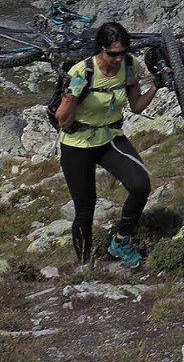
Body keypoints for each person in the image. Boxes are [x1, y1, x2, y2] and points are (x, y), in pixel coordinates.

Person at [54, 21, 163, 268]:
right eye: (113, 53)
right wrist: (72, 95)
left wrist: (156, 85)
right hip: (77, 144)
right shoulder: (82, 71)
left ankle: (120, 241)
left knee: (140, 185)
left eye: (123, 52)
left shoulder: (129, 66)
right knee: (85, 207)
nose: (118, 58)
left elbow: (136, 106)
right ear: (100, 49)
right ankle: (84, 265)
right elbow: (62, 120)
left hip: (110, 138)